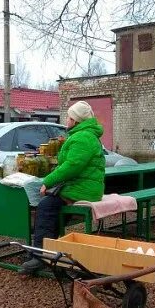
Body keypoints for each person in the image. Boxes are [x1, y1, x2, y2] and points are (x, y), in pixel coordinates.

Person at [20, 101, 106, 274]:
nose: (66, 119)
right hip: (85, 187)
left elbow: (72, 166)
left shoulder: (82, 137)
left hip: (81, 189)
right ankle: (51, 250)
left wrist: (48, 181)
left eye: (69, 116)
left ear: (75, 120)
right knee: (52, 205)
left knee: (45, 205)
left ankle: (41, 256)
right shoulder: (86, 134)